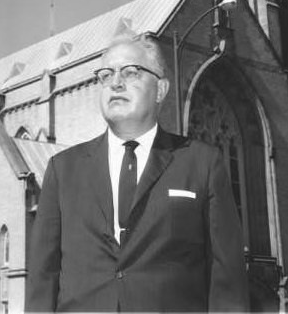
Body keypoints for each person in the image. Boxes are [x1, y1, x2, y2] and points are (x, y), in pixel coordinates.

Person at [26, 33, 248, 312]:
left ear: (161, 90)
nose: (116, 82)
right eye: (106, 75)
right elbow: (42, 279)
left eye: (131, 72)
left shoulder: (203, 163)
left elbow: (227, 278)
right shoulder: (63, 170)